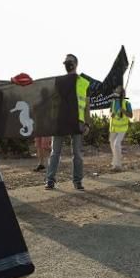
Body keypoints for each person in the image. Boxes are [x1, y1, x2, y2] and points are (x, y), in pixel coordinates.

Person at [45, 54, 99, 190]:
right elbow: (53, 102)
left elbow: (87, 106)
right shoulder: (59, 81)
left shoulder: (84, 83)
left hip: (77, 121)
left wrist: (87, 123)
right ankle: (50, 180)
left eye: (70, 62)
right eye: (65, 62)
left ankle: (77, 181)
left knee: (77, 154)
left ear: (76, 63)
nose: (67, 65)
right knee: (55, 152)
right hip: (60, 120)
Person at [108, 85, 132, 169]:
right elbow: (110, 112)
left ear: (121, 93)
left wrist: (124, 111)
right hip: (113, 127)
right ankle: (115, 160)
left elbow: (131, 115)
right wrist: (112, 115)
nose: (115, 90)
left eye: (117, 89)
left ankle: (118, 165)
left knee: (116, 144)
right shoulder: (113, 102)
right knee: (112, 143)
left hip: (122, 128)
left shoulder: (127, 103)